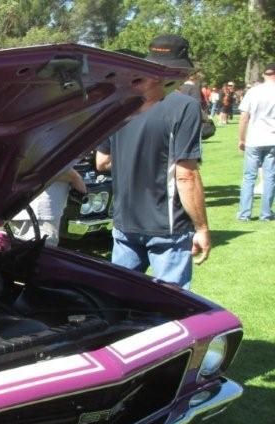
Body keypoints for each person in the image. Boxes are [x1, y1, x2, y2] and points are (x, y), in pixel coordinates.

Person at [95, 34, 210, 290]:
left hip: (125, 223)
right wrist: (201, 228)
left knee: (117, 300)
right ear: (180, 69)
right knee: (170, 307)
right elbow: (185, 175)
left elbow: (102, 162)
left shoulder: (120, 103)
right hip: (166, 227)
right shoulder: (185, 106)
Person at [236, 62, 275, 221]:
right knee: (270, 177)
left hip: (254, 139)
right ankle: (266, 213)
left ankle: (244, 213)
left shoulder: (253, 91)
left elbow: (244, 117)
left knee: (249, 177)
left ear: (264, 75)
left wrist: (241, 138)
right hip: (272, 139)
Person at [9, 167, 86, 246]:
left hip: (26, 208)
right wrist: (76, 178)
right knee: (38, 252)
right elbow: (51, 166)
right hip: (40, 214)